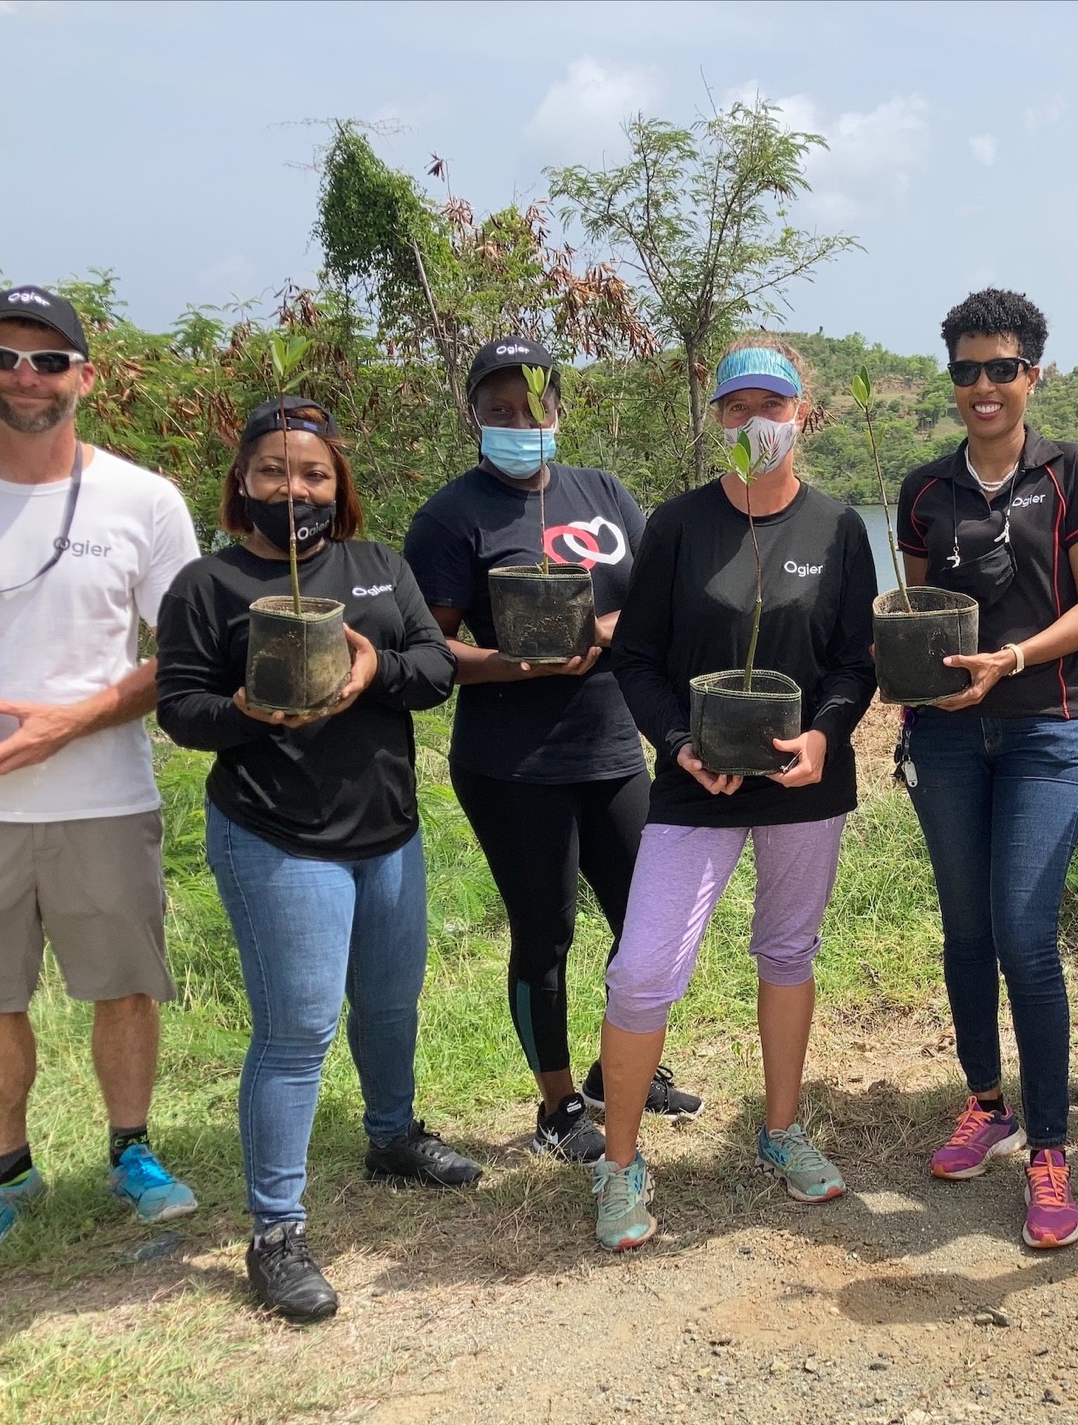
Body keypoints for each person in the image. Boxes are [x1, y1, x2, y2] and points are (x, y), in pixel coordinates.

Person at [0, 286, 202, 1270]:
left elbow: (181, 652)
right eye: (5, 356)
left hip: (105, 795)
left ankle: (132, 1151)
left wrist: (67, 722)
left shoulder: (143, 500)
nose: (28, 378)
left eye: (50, 361)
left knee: (124, 984)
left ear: (85, 378)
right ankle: (2, 1175)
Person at [155, 396, 474, 1322]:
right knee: (297, 1031)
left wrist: (377, 670)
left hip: (388, 832)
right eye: (271, 472)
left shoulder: (378, 569)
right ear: (241, 484)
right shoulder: (208, 587)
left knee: (388, 1000)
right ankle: (276, 1229)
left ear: (337, 489)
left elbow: (436, 669)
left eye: (311, 474)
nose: (291, 489)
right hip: (275, 835)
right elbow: (181, 709)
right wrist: (248, 714)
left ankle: (393, 1134)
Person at [592, 339, 876, 1252]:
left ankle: (781, 1129)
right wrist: (678, 744)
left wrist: (825, 735)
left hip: (803, 783)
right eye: (737, 406)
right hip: (694, 783)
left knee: (788, 950)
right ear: (717, 419)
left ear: (804, 415)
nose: (756, 422)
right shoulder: (678, 526)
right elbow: (633, 657)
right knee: (642, 970)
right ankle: (619, 1163)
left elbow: (854, 663)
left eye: (774, 405)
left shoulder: (837, 528)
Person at [404, 337, 680, 1165]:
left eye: (532, 407)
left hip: (613, 747)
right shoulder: (451, 518)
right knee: (545, 932)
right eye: (499, 411)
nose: (519, 423)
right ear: (474, 418)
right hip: (512, 762)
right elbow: (431, 653)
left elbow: (656, 604)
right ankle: (558, 1105)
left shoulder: (605, 494)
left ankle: (616, 1073)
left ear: (558, 408)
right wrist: (521, 659)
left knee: (649, 923)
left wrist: (597, 630)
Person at [896, 289, 1078, 1250]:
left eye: (1001, 368)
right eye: (965, 370)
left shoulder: (1072, 475)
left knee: (1024, 935)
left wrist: (1014, 659)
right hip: (947, 739)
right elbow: (911, 612)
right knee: (963, 928)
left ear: (1034, 372)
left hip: (1044, 730)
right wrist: (905, 677)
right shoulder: (924, 490)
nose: (982, 387)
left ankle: (1048, 1145)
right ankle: (985, 1102)